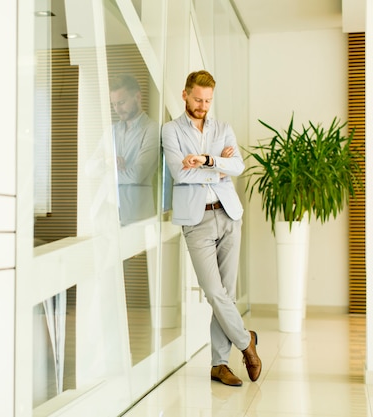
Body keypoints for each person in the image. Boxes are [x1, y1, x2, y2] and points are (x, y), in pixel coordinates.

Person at [161, 70, 261, 386]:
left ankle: (220, 364)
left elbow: (238, 166)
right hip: (196, 220)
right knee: (214, 292)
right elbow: (179, 174)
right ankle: (247, 343)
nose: (203, 106)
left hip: (229, 214)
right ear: (185, 95)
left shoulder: (223, 128)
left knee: (227, 293)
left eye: (208, 100)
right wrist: (218, 166)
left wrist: (205, 160)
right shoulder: (171, 131)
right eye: (197, 99)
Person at [109, 74, 159, 226]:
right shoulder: (112, 131)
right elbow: (88, 169)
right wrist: (108, 161)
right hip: (112, 217)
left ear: (137, 97)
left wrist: (108, 174)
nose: (117, 109)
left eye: (122, 102)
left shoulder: (152, 130)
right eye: (114, 104)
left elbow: (137, 175)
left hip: (138, 218)